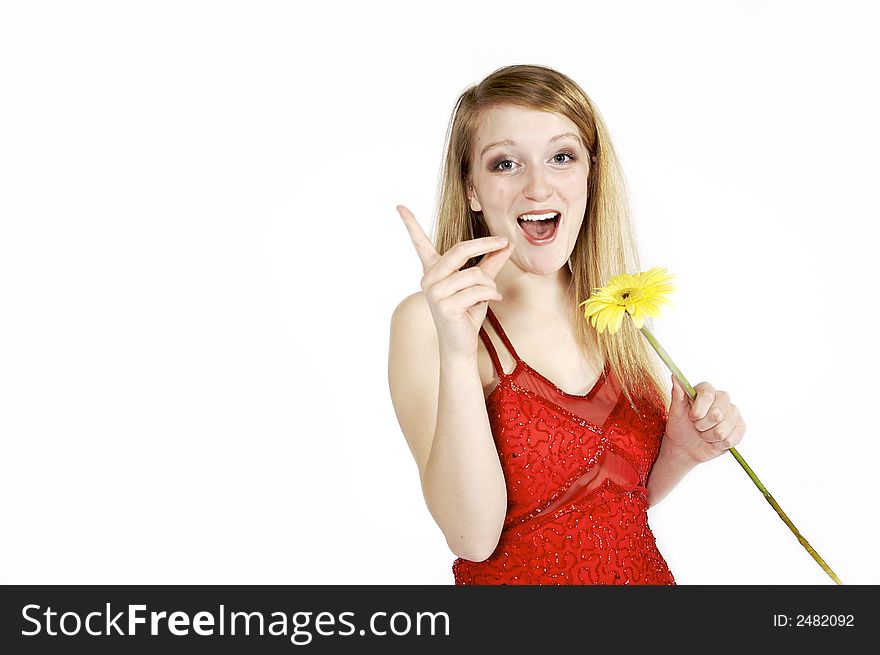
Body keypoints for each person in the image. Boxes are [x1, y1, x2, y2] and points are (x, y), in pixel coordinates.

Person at [388, 64, 746, 585]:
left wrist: (683, 450)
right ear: (471, 189)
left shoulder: (613, 309)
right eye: (505, 163)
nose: (538, 187)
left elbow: (615, 502)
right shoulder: (427, 322)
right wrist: (459, 352)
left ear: (589, 175)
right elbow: (471, 536)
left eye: (561, 157)